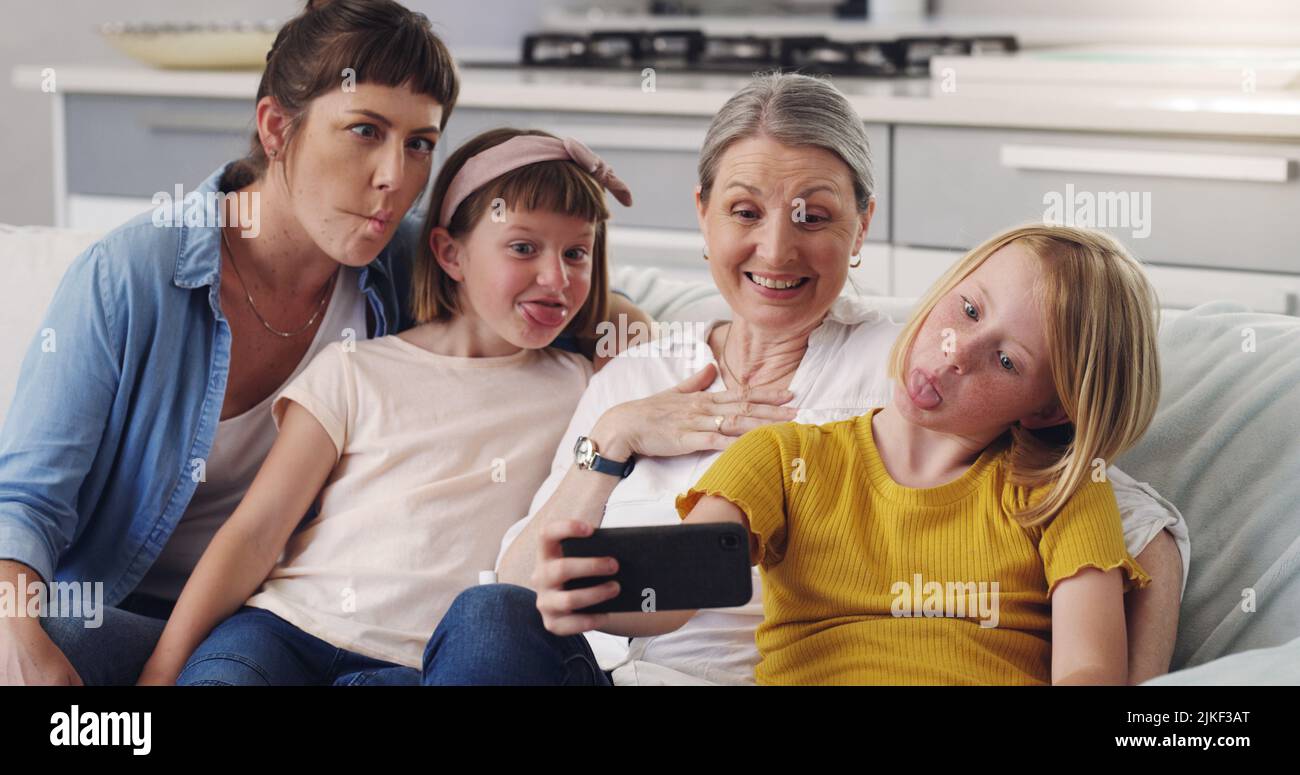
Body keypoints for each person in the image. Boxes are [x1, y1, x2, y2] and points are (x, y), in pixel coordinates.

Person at [420, 72, 1189, 686]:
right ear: (703, 214)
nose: (777, 249)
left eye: (814, 216)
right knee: (483, 622)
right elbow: (525, 594)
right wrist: (610, 444)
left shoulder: (905, 371)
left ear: (863, 223)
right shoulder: (640, 374)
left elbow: (1134, 522)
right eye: (745, 210)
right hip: (612, 672)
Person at [553, 225, 1161, 685]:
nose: (955, 352)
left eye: (1007, 361)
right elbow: (683, 583)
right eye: (969, 310)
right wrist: (590, 588)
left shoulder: (1061, 496)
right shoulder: (784, 457)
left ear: (1049, 410)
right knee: (493, 612)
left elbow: (1089, 675)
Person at [135, 127, 627, 685]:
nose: (556, 278)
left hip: (423, 661)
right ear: (450, 252)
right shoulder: (354, 370)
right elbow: (254, 534)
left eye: (577, 253)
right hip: (283, 631)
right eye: (522, 247)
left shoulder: (584, 389)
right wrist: (159, 673)